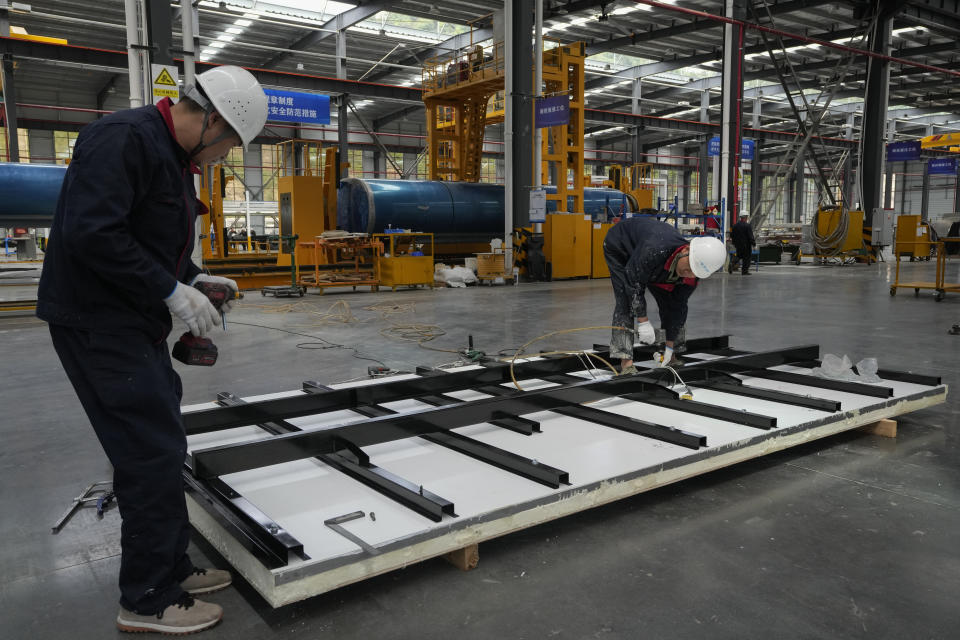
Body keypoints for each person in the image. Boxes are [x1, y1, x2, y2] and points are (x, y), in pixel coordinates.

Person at [36, 66, 268, 635]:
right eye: (227, 147)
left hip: (130, 324)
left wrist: (194, 276)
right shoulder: (124, 139)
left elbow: (149, 238)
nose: (221, 159)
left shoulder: (170, 156)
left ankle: (171, 568)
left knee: (162, 441)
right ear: (211, 119)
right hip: (98, 323)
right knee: (148, 452)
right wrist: (169, 291)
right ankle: (146, 599)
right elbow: (92, 233)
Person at [603, 217, 726, 373]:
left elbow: (678, 306)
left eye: (693, 272)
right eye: (688, 267)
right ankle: (626, 361)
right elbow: (634, 283)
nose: (687, 273)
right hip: (620, 247)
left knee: (671, 304)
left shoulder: (691, 277)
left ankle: (670, 355)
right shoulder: (655, 248)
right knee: (625, 301)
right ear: (685, 250)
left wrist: (669, 346)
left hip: (655, 263)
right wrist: (643, 321)